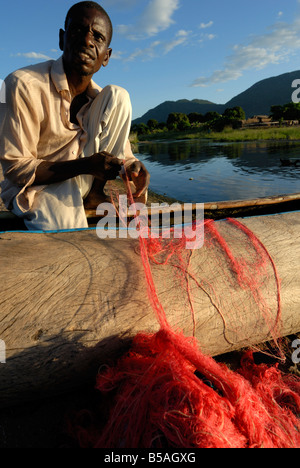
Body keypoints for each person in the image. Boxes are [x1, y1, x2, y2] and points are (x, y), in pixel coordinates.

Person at [0, 1, 150, 231]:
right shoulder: (23, 85)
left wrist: (132, 167)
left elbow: (122, 153)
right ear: (62, 39)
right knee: (67, 231)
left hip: (83, 179)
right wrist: (86, 165)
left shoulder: (102, 100)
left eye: (98, 37)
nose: (87, 40)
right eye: (79, 30)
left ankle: (94, 193)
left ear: (106, 56)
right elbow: (16, 168)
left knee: (119, 95)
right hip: (35, 187)